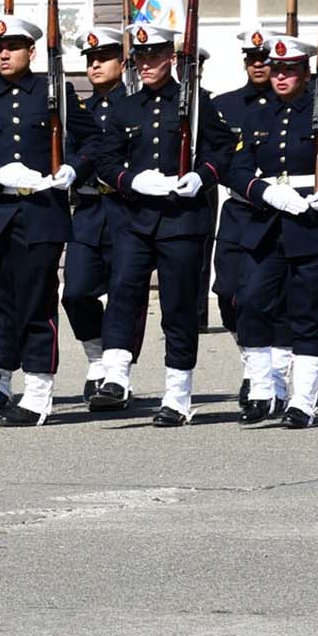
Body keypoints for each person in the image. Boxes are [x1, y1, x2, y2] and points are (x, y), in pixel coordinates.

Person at [0, 15, 103, 425]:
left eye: (11, 47)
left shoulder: (56, 92)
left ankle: (37, 392)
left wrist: (73, 169)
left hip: (40, 211)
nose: (2, 54)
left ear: (31, 52)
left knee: (36, 301)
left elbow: (96, 142)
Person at [95, 24, 235, 425]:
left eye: (154, 56)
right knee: (122, 292)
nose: (147, 64)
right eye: (140, 57)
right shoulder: (125, 107)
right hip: (136, 218)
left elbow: (223, 150)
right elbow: (105, 159)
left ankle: (177, 394)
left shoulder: (196, 104)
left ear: (171, 58)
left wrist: (202, 176)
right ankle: (116, 375)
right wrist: (130, 180)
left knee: (177, 306)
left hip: (182, 220)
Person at [221, 36, 318, 428]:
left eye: (289, 69)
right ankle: (263, 388)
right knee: (252, 303)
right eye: (275, 70)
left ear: (306, 73)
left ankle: (303, 401)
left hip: (312, 219)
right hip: (267, 220)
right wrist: (265, 192)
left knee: (308, 314)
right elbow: (236, 168)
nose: (280, 76)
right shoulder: (257, 115)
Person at [60, 28, 127, 398]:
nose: (95, 65)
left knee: (121, 294)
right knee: (76, 292)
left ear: (123, 62)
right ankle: (96, 357)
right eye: (90, 60)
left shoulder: (134, 105)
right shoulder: (79, 110)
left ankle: (117, 373)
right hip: (87, 208)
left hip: (123, 208)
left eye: (103, 58)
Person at [210, 29, 276, 344]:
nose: (258, 65)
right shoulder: (223, 105)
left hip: (280, 210)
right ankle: (249, 353)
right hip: (238, 207)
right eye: (252, 59)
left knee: (265, 294)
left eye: (265, 58)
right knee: (227, 290)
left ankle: (263, 367)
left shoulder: (293, 106)